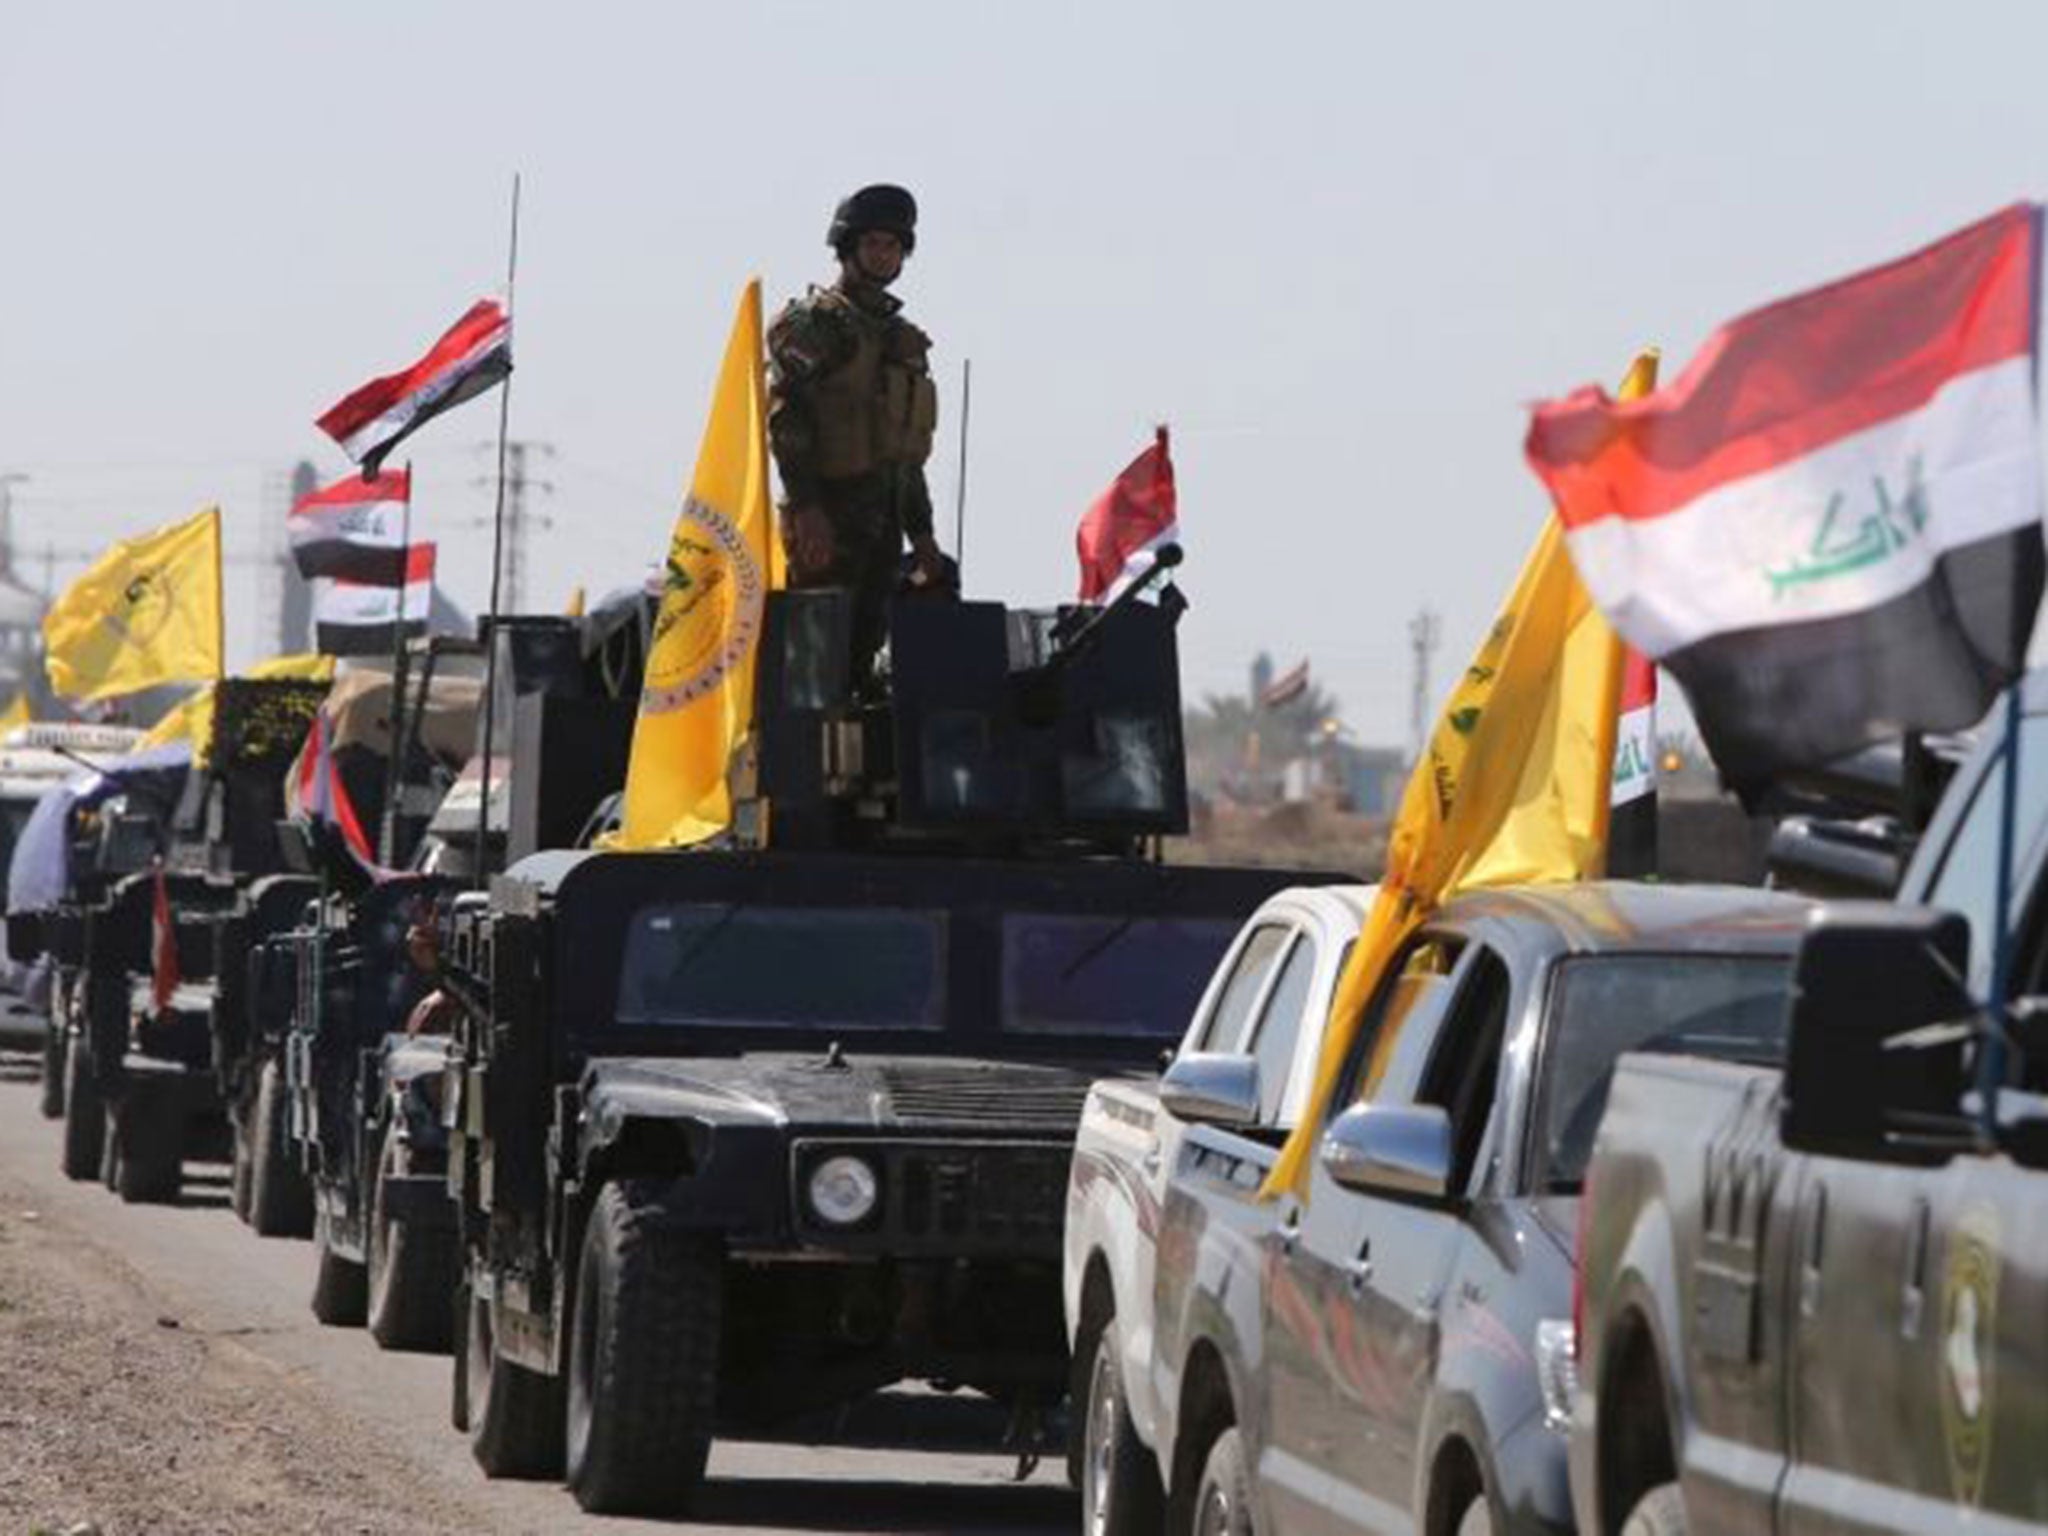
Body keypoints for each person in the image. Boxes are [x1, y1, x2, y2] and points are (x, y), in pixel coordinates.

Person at [767, 183, 949, 690]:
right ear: (848, 248)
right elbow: (788, 420)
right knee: (810, 667)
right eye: (871, 243)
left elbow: (906, 450)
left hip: (883, 523)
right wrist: (807, 509)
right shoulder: (815, 325)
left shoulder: (902, 339)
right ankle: (799, 765)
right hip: (828, 517)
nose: (882, 255)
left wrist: (923, 532)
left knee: (861, 659)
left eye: (892, 245)